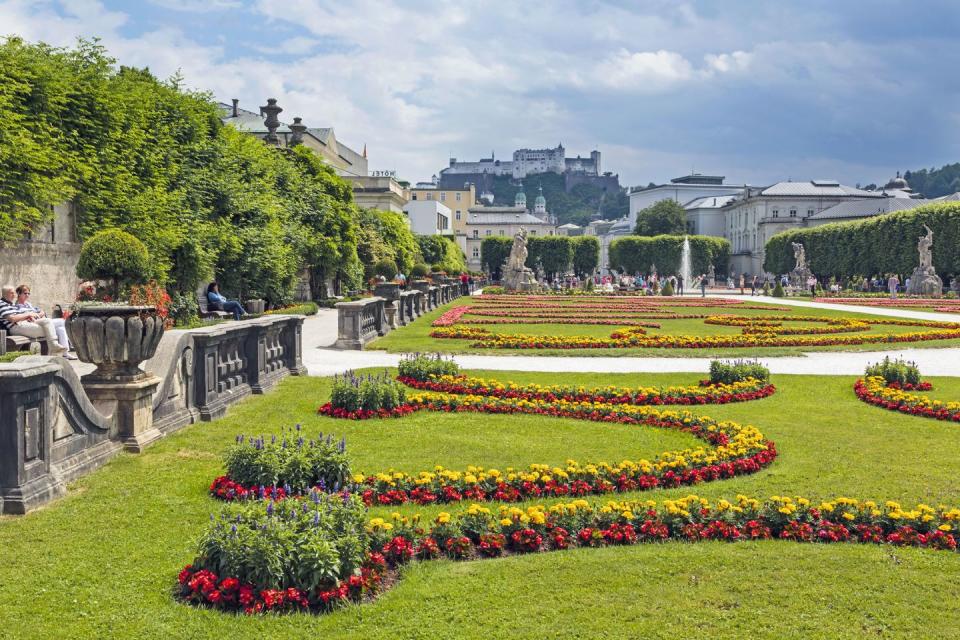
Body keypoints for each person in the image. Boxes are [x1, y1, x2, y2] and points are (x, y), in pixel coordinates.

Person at [13, 284, 76, 359]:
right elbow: (20, 317)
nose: (27, 295)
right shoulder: (15, 306)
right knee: (62, 322)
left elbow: (41, 311)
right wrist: (31, 315)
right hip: (32, 324)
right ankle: (72, 344)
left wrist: (39, 314)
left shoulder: (28, 304)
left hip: (40, 321)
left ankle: (65, 353)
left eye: (28, 293)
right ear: (19, 294)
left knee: (61, 329)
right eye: (25, 293)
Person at [0, 285, 67, 355]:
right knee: (50, 330)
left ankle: (54, 346)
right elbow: (12, 319)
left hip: (24, 323)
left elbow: (20, 315)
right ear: (5, 294)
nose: (14, 295)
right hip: (15, 327)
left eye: (14, 293)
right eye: (12, 293)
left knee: (47, 321)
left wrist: (29, 316)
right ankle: (53, 349)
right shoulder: (2, 304)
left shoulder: (12, 304)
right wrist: (28, 314)